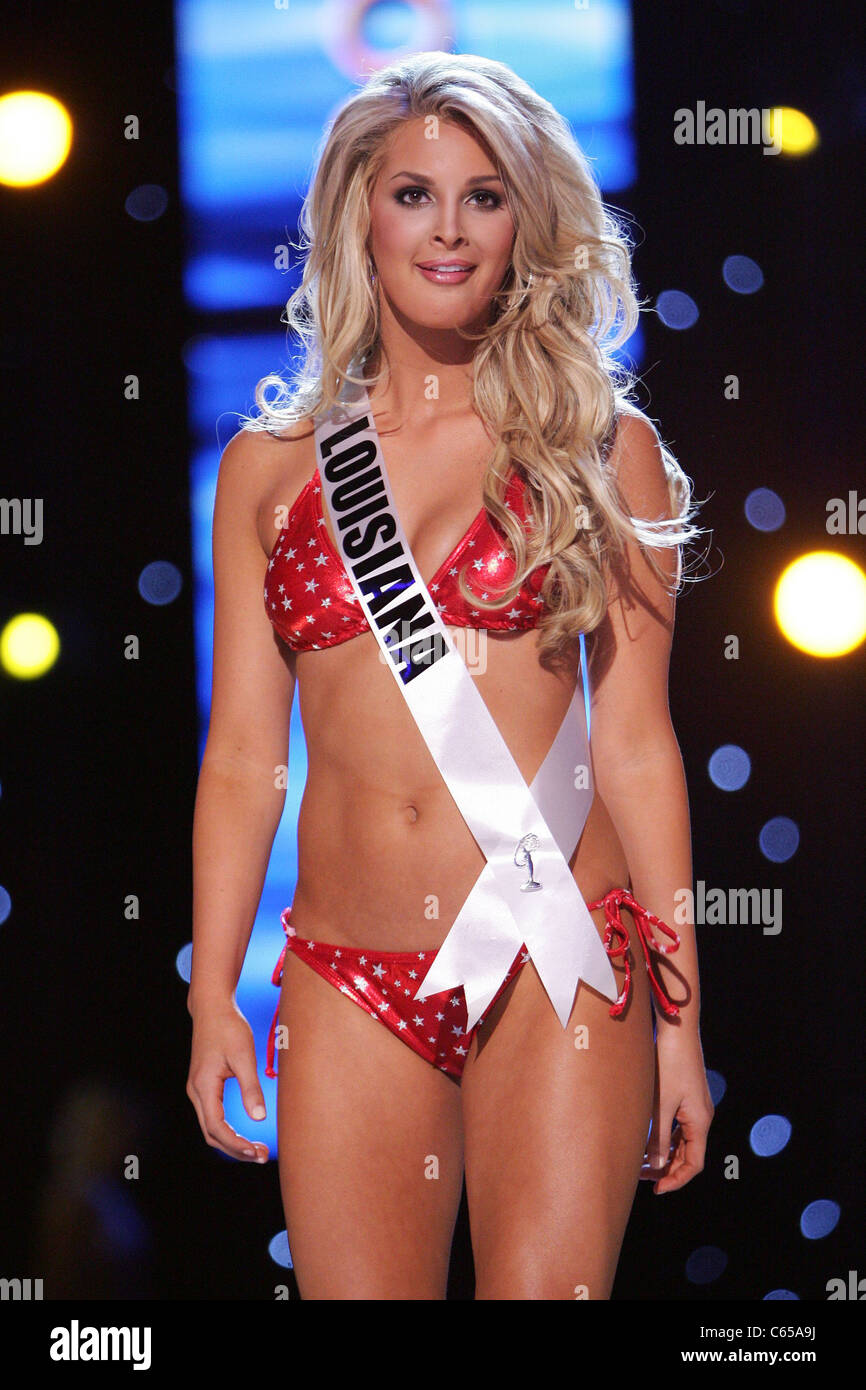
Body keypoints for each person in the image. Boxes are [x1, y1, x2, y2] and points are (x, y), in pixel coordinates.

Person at [186, 50, 714, 1300]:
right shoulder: (269, 469)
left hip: (557, 954)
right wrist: (212, 992)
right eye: (413, 192)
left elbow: (636, 744)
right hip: (344, 972)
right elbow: (239, 759)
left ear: (525, 220)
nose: (448, 229)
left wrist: (685, 1028)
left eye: (484, 196)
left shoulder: (600, 447)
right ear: (357, 212)